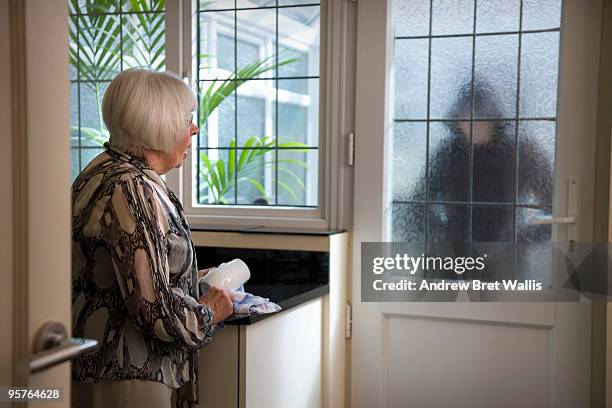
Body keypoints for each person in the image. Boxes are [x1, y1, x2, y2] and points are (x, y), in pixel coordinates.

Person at [71, 68, 233, 408]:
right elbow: (152, 310)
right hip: (126, 377)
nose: (194, 128)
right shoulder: (130, 188)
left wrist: (189, 278)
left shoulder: (104, 170)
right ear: (158, 124)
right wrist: (209, 311)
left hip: (106, 368)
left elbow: (124, 273)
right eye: (187, 118)